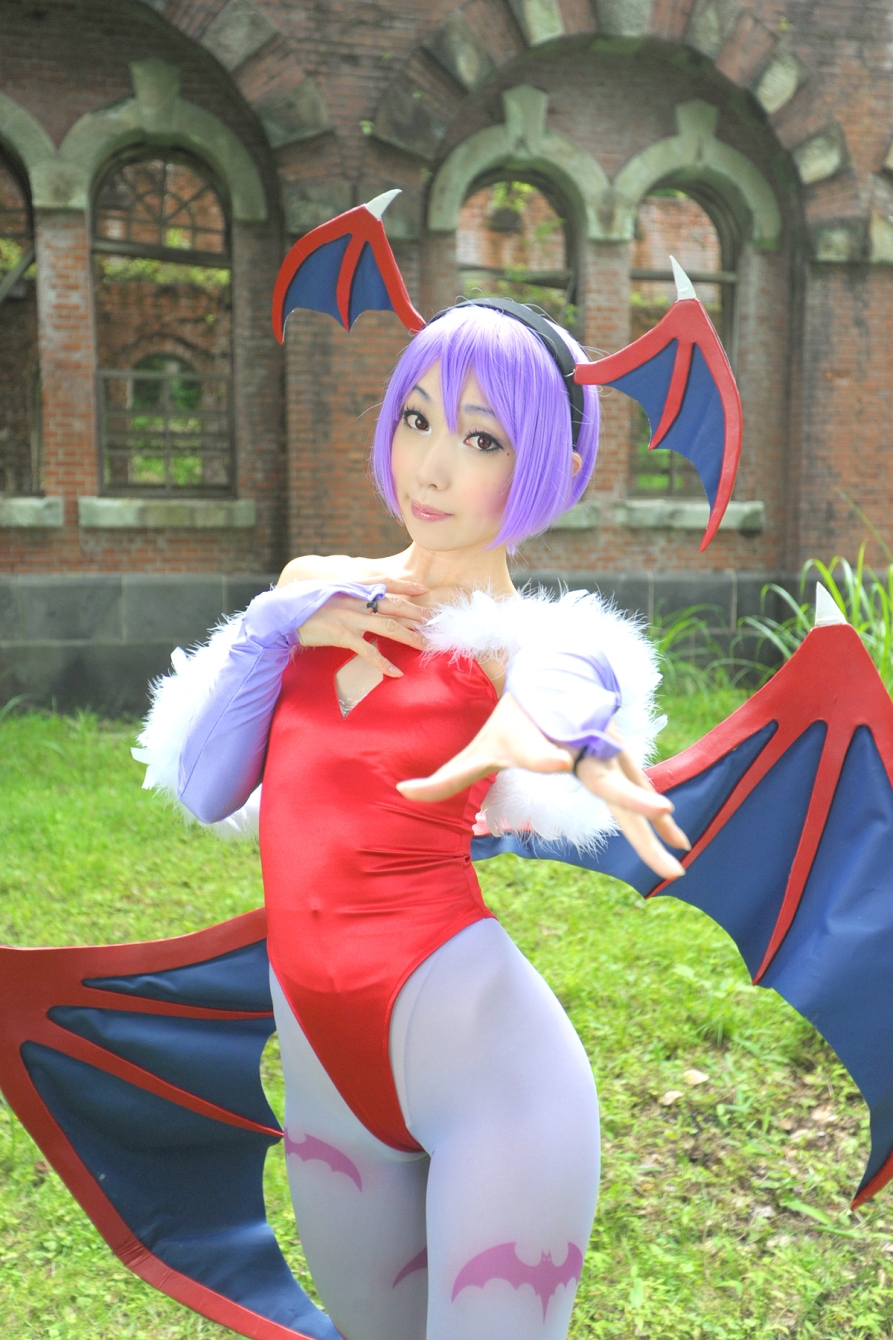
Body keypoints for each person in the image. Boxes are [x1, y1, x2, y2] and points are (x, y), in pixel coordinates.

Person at [138, 300, 690, 1340]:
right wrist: (270, 630)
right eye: (416, 419)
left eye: (482, 440)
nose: (431, 467)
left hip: (496, 1084)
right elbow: (209, 788)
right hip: (327, 1084)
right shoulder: (311, 591)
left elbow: (572, 675)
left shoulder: (520, 643)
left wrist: (562, 735)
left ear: (547, 467)